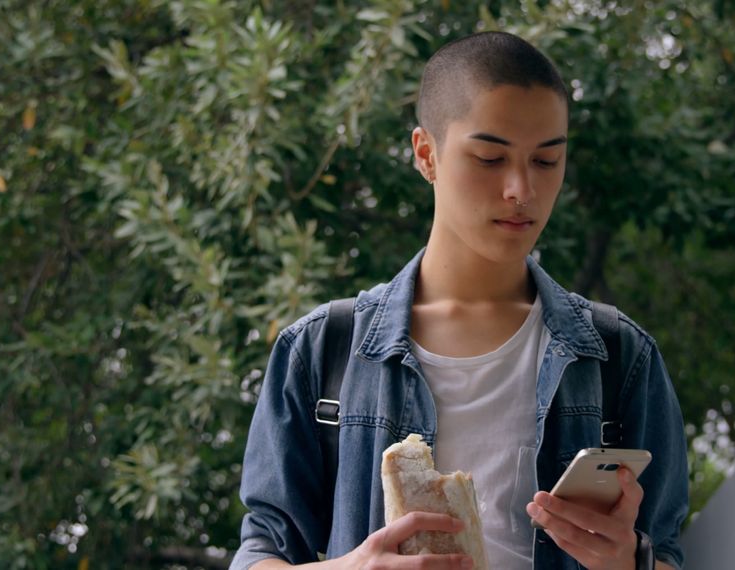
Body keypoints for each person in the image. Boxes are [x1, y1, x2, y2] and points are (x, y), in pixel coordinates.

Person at [231, 31, 688, 570]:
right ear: (427, 154)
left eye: (545, 162)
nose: (521, 189)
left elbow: (671, 553)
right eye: (491, 158)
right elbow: (261, 552)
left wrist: (629, 563)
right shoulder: (321, 350)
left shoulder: (620, 358)